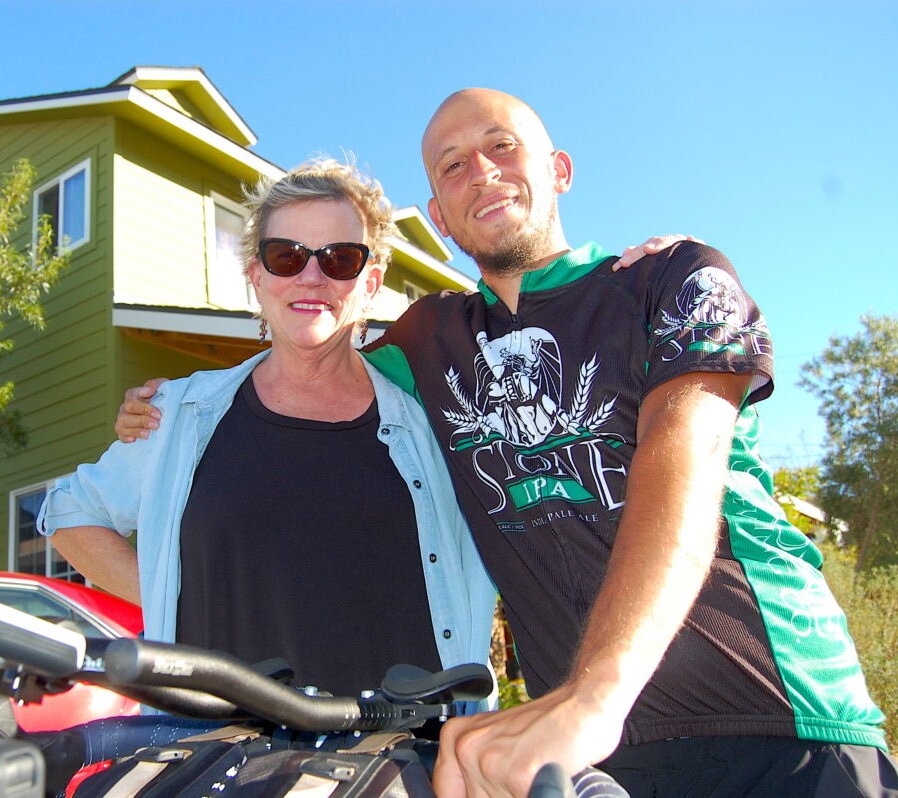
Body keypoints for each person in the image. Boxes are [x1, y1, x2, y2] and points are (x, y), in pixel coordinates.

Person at [116, 89, 897, 798]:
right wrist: (172, 405)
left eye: (501, 147)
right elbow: (312, 352)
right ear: (439, 215)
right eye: (452, 165)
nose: (481, 173)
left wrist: (596, 695)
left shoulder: (672, 279)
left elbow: (680, 467)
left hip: (775, 720)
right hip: (583, 759)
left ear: (558, 170)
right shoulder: (428, 343)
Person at [38, 159, 498, 705]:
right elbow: (70, 514)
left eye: (340, 259)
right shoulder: (181, 414)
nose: (311, 277)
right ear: (256, 276)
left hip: (410, 744)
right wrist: (169, 596)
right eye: (287, 256)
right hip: (225, 744)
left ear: (370, 283)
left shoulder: (435, 421)